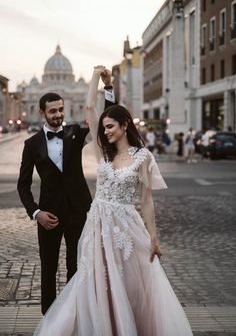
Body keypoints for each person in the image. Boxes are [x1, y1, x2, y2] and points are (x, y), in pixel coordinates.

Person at [33, 66, 193, 336]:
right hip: (97, 224)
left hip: (126, 226)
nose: (104, 131)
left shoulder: (143, 157)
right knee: (95, 279)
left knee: (126, 282)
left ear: (124, 126)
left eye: (110, 127)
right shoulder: (102, 152)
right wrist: (98, 77)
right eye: (103, 127)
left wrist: (153, 238)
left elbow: (147, 201)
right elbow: (88, 109)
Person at [17, 75, 116, 315]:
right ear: (42, 113)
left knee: (77, 266)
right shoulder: (32, 144)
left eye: (61, 109)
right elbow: (23, 185)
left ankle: (76, 315)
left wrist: (109, 87)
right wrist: (36, 212)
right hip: (48, 214)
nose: (58, 114)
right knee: (48, 268)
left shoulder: (75, 132)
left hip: (77, 211)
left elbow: (106, 120)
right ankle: (49, 318)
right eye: (53, 111)